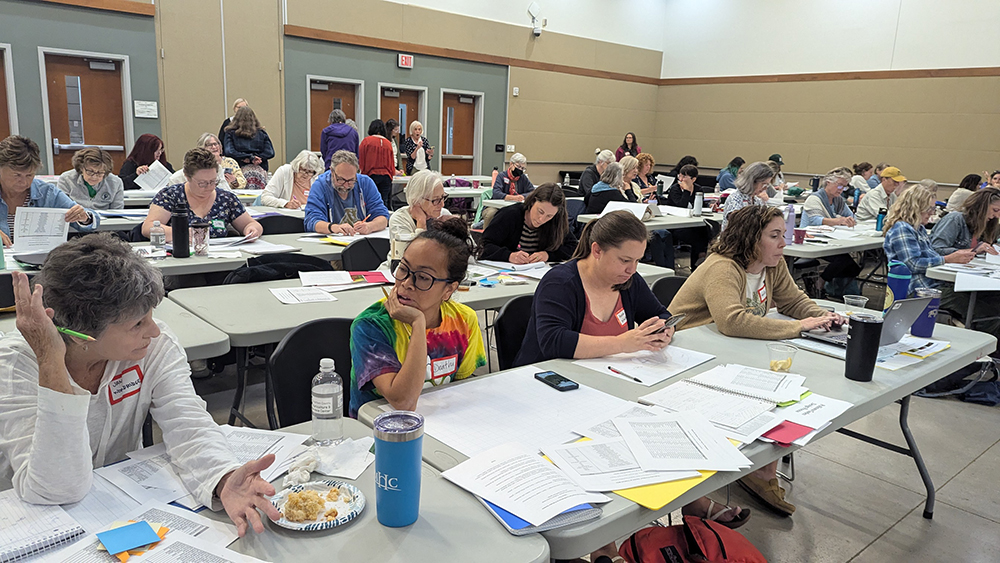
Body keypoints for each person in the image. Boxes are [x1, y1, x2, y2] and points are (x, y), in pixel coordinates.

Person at [0, 234, 280, 536]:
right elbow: (56, 488)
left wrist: (223, 478)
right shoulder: (17, 363)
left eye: (150, 316)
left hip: (118, 502)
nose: (154, 331)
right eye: (137, 324)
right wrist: (51, 361)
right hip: (35, 522)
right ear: (80, 333)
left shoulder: (151, 349)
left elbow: (188, 425)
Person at [514, 211, 751, 533]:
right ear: (596, 250)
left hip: (604, 383)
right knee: (608, 445)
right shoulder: (561, 282)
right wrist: (624, 342)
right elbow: (554, 342)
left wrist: (664, 330)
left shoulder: (628, 282)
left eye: (637, 260)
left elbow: (660, 314)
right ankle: (603, 540)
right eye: (624, 260)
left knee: (663, 426)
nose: (632, 269)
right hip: (546, 389)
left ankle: (691, 500)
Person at [669, 205, 842, 516]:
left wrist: (823, 316)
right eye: (774, 236)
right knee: (770, 391)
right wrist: (799, 327)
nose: (783, 243)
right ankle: (758, 472)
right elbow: (732, 321)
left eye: (783, 235)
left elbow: (794, 301)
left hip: (732, 351)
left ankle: (759, 469)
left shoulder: (772, 264)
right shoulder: (723, 267)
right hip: (691, 356)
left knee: (783, 388)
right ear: (750, 238)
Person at [349, 217, 486, 417]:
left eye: (423, 277)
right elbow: (402, 401)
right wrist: (418, 323)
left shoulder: (464, 321)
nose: (406, 283)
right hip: (377, 430)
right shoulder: (371, 325)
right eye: (403, 268)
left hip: (440, 422)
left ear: (449, 289)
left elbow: (463, 390)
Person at [141, 148, 263, 241]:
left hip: (220, 261)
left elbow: (251, 223)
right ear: (187, 177)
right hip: (183, 259)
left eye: (213, 181)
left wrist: (252, 230)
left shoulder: (226, 199)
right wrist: (182, 233)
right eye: (202, 183)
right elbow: (148, 227)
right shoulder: (170, 196)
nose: (209, 187)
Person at [1, 136, 98, 247]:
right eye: (17, 175)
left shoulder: (47, 193)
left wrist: (84, 218)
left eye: (29, 175)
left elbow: (91, 220)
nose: (23, 182)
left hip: (36, 258)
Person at [929, 187, 1000, 337]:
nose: (995, 216)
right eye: (994, 210)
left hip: (962, 282)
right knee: (986, 313)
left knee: (996, 300)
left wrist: (979, 248)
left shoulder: (978, 227)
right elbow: (934, 250)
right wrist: (965, 253)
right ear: (982, 206)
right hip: (942, 284)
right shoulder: (955, 219)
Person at [800, 168, 863, 297]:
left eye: (844, 187)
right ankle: (820, 282)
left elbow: (850, 216)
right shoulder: (814, 198)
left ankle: (831, 287)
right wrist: (838, 221)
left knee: (853, 268)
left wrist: (850, 220)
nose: (841, 189)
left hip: (829, 239)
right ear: (828, 182)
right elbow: (815, 220)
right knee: (843, 261)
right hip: (809, 239)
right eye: (839, 185)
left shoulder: (837, 200)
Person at [482, 183, 578, 264]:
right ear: (532, 202)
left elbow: (573, 247)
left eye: (549, 216)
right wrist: (509, 256)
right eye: (540, 211)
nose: (541, 219)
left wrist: (548, 255)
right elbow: (484, 245)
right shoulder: (509, 215)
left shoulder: (556, 221)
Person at [305, 149, 390, 236]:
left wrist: (370, 226)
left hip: (360, 241)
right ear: (332, 171)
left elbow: (383, 217)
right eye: (341, 180)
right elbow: (312, 221)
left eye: (351, 180)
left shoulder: (365, 183)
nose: (346, 185)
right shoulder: (320, 185)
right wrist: (334, 228)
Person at [665, 164, 712, 268]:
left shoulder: (698, 189)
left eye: (684, 177)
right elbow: (680, 206)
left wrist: (710, 206)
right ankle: (699, 259)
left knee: (704, 229)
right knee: (697, 236)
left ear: (693, 179)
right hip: (676, 224)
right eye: (680, 176)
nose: (681, 179)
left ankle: (699, 260)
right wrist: (686, 191)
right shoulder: (675, 189)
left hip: (692, 222)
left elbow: (700, 206)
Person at [167, 133, 246, 191]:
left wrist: (235, 181)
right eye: (209, 145)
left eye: (215, 144)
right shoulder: (176, 178)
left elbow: (227, 192)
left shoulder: (222, 166)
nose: (214, 147)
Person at [388, 170, 451, 238]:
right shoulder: (399, 220)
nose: (442, 205)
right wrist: (421, 222)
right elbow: (413, 248)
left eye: (443, 197)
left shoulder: (444, 215)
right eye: (435, 200)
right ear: (416, 201)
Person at [223, 106, 274, 188]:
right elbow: (270, 152)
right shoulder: (261, 133)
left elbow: (229, 151)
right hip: (259, 169)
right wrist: (257, 158)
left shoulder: (230, 133)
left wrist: (247, 157)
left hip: (239, 169)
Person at [57, 147, 123, 210]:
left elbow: (117, 210)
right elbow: (62, 207)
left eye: (100, 173)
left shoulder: (115, 182)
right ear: (81, 168)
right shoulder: (66, 179)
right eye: (90, 171)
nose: (94, 177)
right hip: (75, 219)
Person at [260, 149, 324, 209]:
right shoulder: (284, 172)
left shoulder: (315, 179)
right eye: (303, 170)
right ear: (296, 167)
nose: (306, 174)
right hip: (287, 216)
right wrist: (285, 203)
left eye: (310, 171)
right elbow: (265, 198)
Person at [721, 161, 774, 230]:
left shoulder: (757, 200)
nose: (765, 188)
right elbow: (738, 225)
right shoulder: (735, 198)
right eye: (763, 184)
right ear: (753, 181)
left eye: (767, 185)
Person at [359, 119, 396, 209]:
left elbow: (361, 159)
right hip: (386, 177)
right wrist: (392, 175)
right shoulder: (388, 143)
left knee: (370, 202)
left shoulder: (366, 141)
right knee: (384, 203)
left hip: (371, 176)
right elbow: (391, 163)